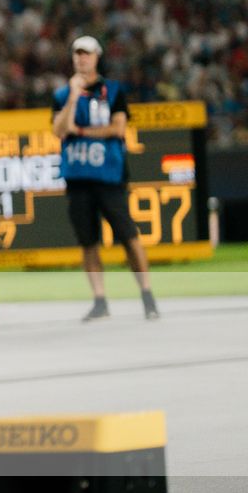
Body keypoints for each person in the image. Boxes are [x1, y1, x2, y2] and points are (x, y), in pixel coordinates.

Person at [52, 35, 159, 321]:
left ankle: (147, 295)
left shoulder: (113, 91)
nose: (81, 58)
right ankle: (100, 300)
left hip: (109, 176)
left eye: (86, 53)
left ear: (97, 56)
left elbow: (118, 128)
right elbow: (59, 130)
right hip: (77, 178)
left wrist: (83, 132)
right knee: (88, 242)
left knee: (128, 236)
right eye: (77, 54)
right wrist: (73, 98)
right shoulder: (64, 94)